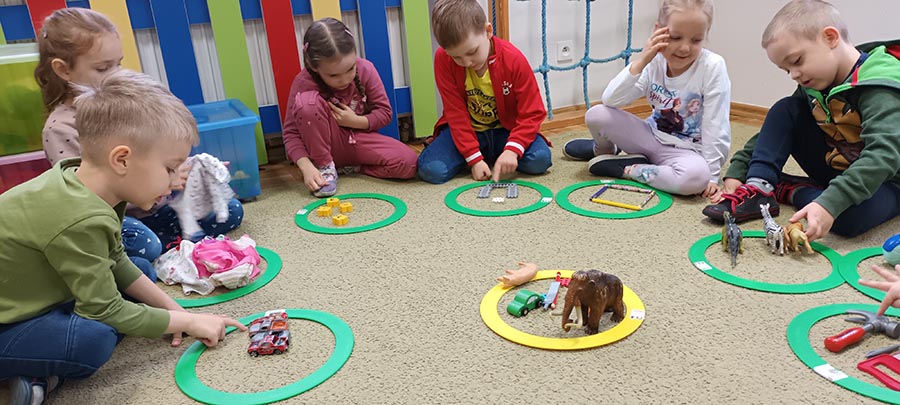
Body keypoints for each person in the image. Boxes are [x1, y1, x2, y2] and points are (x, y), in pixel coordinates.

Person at [0, 69, 246, 405]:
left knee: (140, 271)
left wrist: (178, 315)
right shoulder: (79, 217)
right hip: (9, 323)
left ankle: (40, 357)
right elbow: (104, 311)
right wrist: (186, 320)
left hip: (34, 294)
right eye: (169, 168)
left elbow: (115, 258)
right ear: (122, 160)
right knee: (95, 339)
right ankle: (33, 371)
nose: (175, 181)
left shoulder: (89, 184)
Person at [35, 8, 244, 274]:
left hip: (157, 204)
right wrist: (163, 180)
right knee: (145, 244)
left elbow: (150, 154)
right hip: (115, 218)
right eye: (103, 68)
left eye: (118, 64)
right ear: (63, 69)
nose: (115, 74)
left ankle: (163, 244)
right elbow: (87, 200)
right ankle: (151, 250)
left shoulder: (123, 105)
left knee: (231, 209)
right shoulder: (60, 128)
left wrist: (183, 170)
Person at [701, 0, 900, 240]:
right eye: (787, 70)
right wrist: (740, 170)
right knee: (786, 108)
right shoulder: (814, 82)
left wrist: (829, 204)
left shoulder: (879, 85)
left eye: (796, 61)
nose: (794, 74)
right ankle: (760, 186)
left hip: (888, 180)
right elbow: (776, 130)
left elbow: (883, 155)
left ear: (830, 38)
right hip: (838, 166)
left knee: (846, 218)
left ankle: (790, 190)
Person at [564, 0, 730, 197]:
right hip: (650, 137)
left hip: (687, 152)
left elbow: (715, 124)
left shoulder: (713, 66)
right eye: (676, 37)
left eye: (696, 40)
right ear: (658, 31)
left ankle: (628, 168)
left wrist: (712, 175)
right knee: (596, 114)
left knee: (695, 178)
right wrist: (642, 61)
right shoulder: (654, 61)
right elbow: (611, 100)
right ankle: (604, 151)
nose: (685, 48)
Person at [416, 0, 552, 184]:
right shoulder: (442, 59)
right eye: (456, 57)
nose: (466, 62)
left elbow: (533, 112)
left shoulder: (513, 59)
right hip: (468, 132)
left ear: (488, 31)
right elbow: (455, 113)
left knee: (539, 160)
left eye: (472, 52)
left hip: (506, 131)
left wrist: (512, 150)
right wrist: (474, 159)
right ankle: (480, 157)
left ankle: (496, 156)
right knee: (432, 170)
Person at [281, 17, 417, 197]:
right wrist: (306, 167)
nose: (344, 80)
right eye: (334, 75)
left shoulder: (366, 69)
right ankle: (326, 167)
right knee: (307, 104)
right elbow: (291, 133)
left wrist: (355, 121)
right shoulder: (303, 82)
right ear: (314, 66)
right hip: (321, 148)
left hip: (359, 140)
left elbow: (384, 113)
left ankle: (351, 168)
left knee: (409, 163)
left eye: (350, 69)